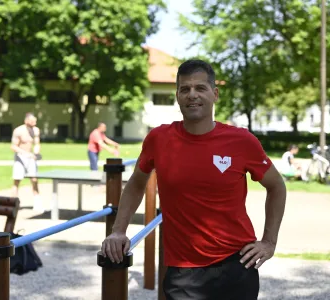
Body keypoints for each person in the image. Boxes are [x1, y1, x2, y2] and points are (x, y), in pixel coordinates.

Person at [100, 60, 287, 300]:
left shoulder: (241, 141)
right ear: (177, 96)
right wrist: (118, 231)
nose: (192, 95)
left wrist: (269, 242)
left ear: (214, 94)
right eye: (184, 89)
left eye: (200, 88)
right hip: (183, 271)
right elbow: (137, 183)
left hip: (237, 264)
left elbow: (277, 186)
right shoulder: (159, 139)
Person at [11, 113, 43, 213]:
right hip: (20, 157)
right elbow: (13, 147)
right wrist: (26, 154)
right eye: (32, 121)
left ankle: (37, 204)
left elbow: (37, 144)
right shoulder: (19, 131)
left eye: (35, 121)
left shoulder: (36, 130)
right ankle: (13, 204)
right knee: (17, 181)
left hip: (30, 157)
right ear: (26, 121)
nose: (34, 123)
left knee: (34, 180)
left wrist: (36, 153)